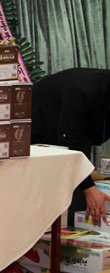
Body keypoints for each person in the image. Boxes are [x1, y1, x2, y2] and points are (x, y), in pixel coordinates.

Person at [31, 68, 110, 226]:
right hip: (41, 136)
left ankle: (76, 224)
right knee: (66, 193)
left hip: (78, 134)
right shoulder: (83, 89)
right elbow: (69, 145)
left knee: (81, 196)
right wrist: (89, 189)